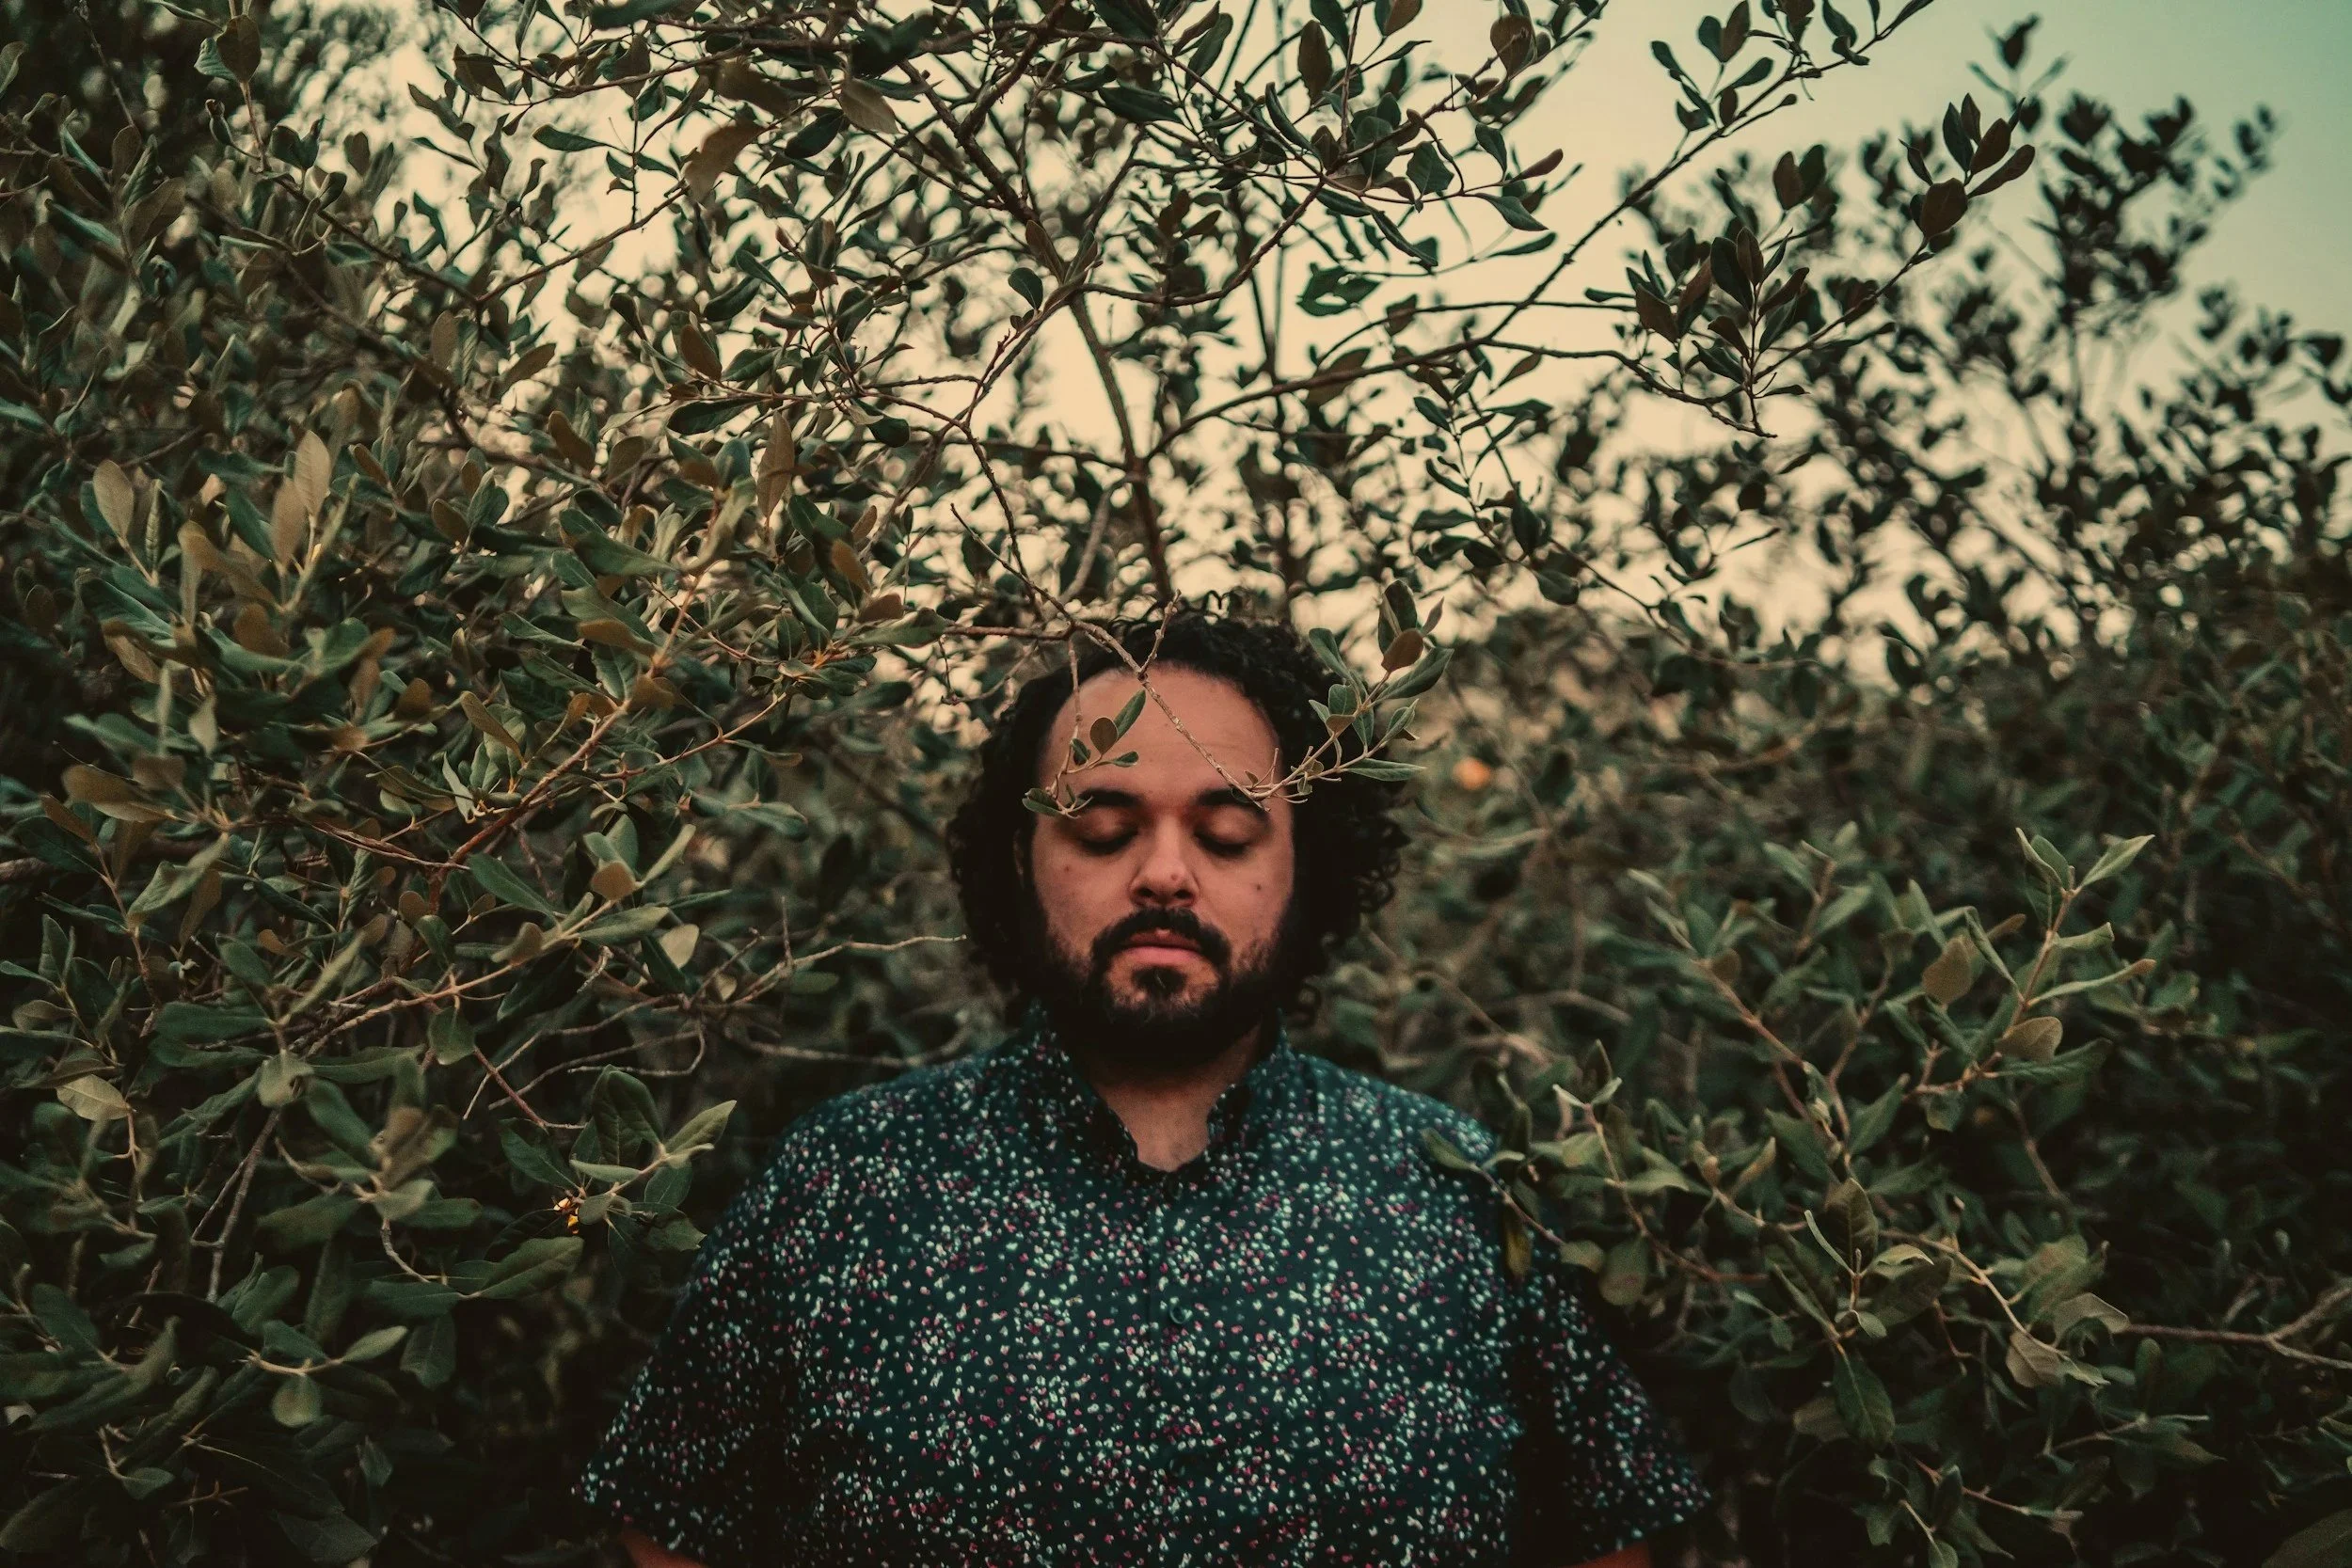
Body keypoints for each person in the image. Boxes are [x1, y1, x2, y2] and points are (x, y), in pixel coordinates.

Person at [575, 610, 1709, 1568]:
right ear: (1017, 869)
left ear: (1306, 875)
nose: (1164, 871)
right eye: (1104, 826)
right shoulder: (847, 1184)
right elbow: (673, 1518)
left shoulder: (1450, 1185)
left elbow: (1607, 1525)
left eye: (1224, 833)